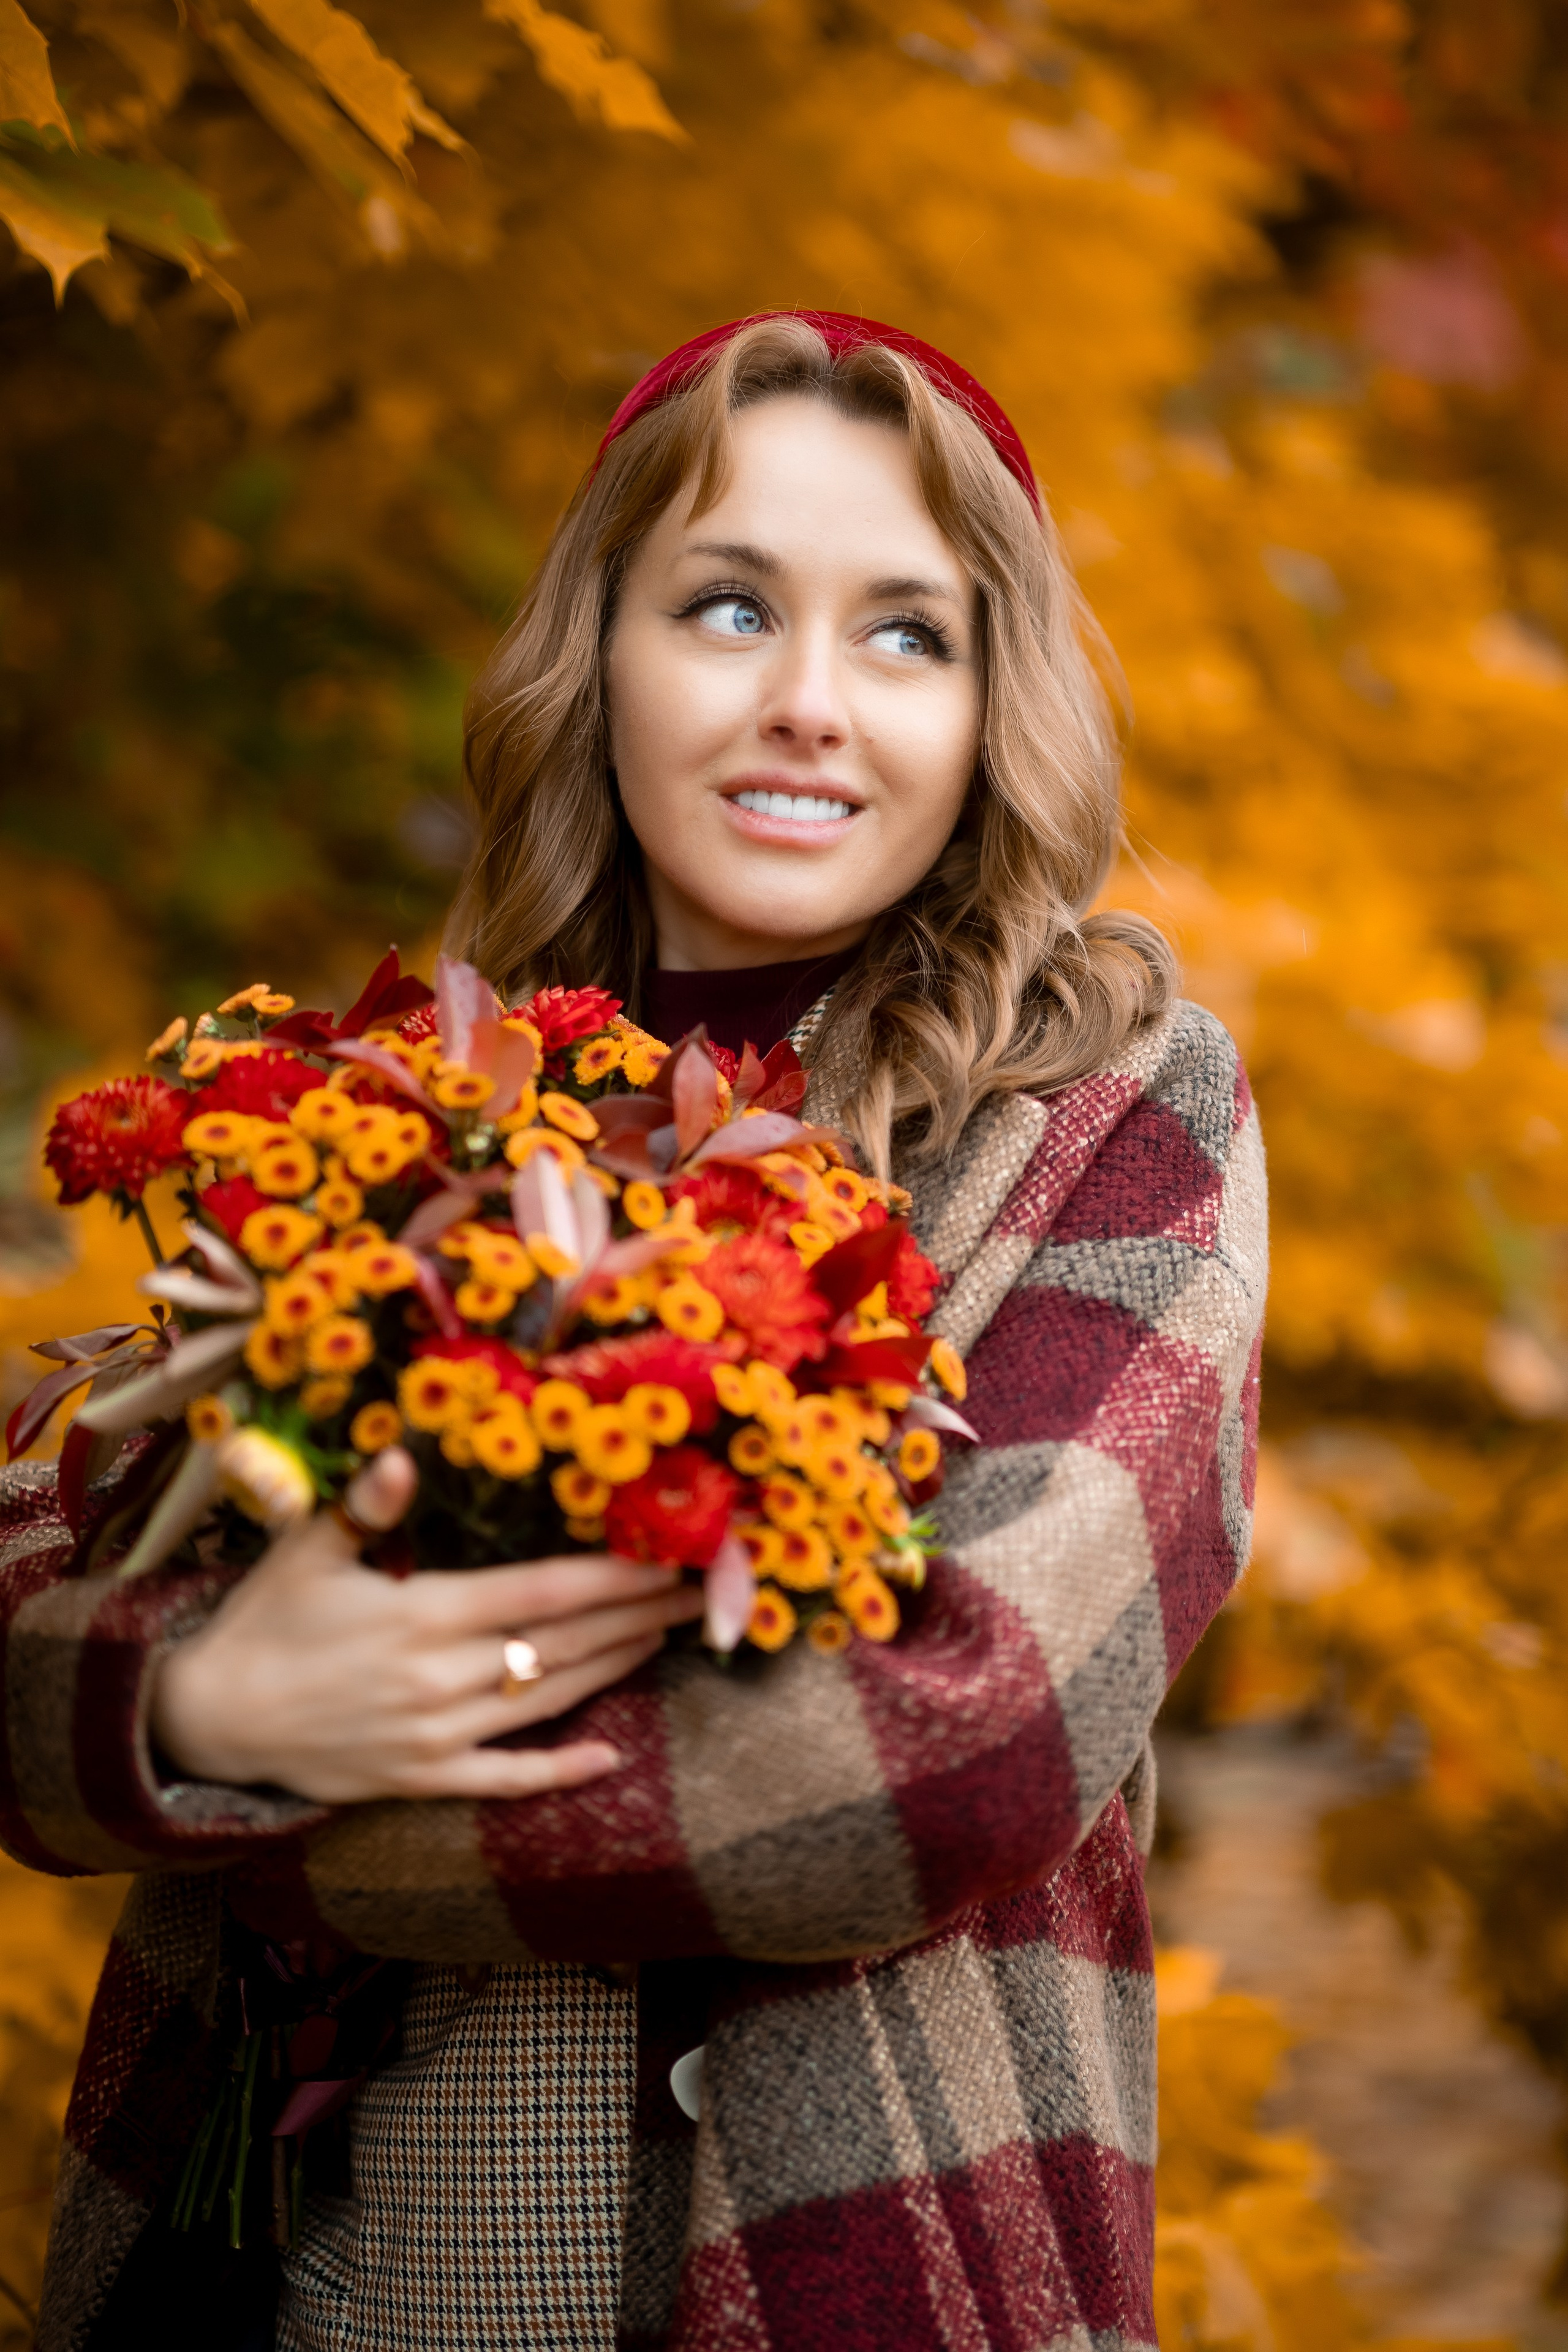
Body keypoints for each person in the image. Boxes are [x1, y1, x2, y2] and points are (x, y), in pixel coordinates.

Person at [1, 312, 1266, 2352]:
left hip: (859, 2266)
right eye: (730, 604)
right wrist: (191, 1704)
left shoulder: (1111, 1116)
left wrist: (269, 1799)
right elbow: (41, 1551)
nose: (804, 706)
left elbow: (960, 1739)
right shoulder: (399, 1106)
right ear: (598, 656)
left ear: (991, 704)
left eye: (904, 636)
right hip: (293, 2259)